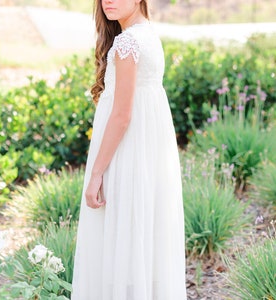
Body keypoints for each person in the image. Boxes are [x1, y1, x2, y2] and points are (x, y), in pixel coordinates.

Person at [71, 0, 187, 299]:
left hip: (126, 154)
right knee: (140, 236)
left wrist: (96, 173)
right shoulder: (147, 34)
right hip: (144, 153)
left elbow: (121, 115)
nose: (107, 0)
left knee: (120, 235)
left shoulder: (127, 42)